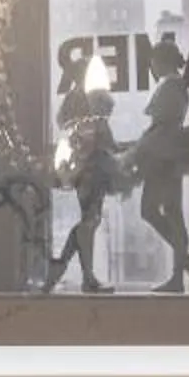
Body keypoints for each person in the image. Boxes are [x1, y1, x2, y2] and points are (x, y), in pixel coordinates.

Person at [42, 86, 128, 295]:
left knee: (88, 222)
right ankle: (83, 275)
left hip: (85, 178)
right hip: (94, 177)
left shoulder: (81, 125)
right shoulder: (96, 125)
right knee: (89, 222)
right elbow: (111, 148)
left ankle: (63, 267)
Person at [132, 34, 189, 292]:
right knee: (171, 213)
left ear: (160, 61)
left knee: (158, 211)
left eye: (152, 62)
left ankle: (185, 269)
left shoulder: (171, 85)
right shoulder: (174, 84)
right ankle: (183, 270)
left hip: (163, 156)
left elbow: (161, 123)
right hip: (167, 154)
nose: (151, 67)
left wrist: (141, 149)